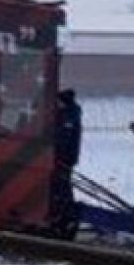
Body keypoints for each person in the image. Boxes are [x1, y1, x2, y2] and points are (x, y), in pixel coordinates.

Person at [50, 89, 82, 236]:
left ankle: (66, 218)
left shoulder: (69, 116)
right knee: (61, 187)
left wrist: (57, 154)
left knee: (63, 188)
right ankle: (63, 217)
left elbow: (63, 138)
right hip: (64, 158)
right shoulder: (69, 113)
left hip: (64, 158)